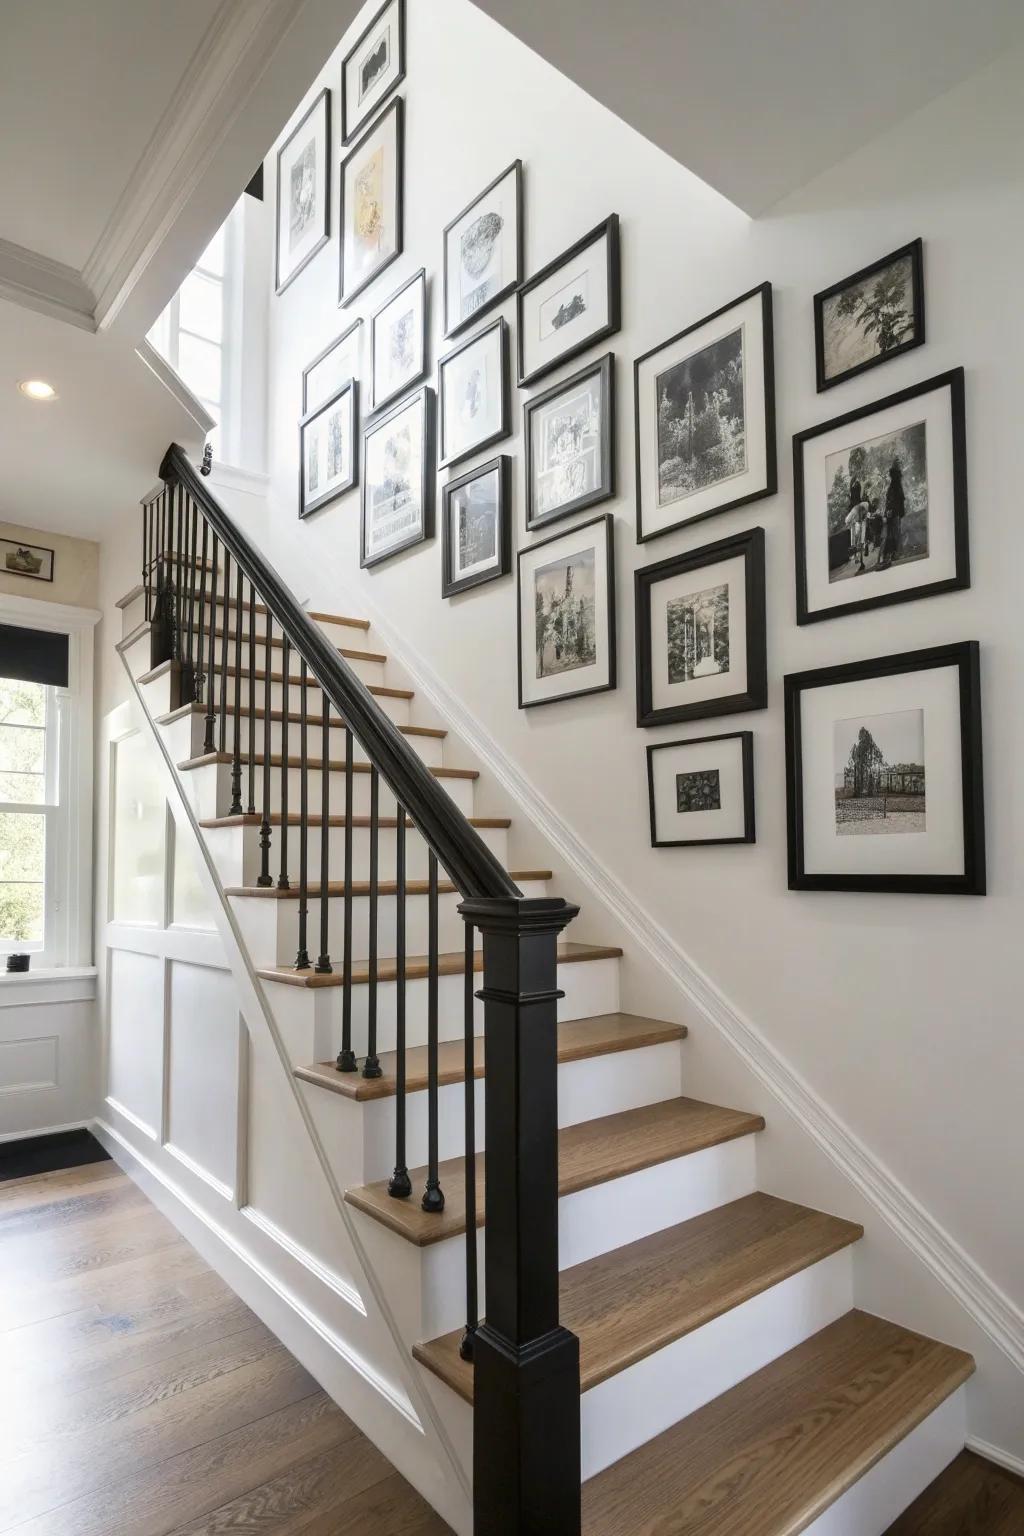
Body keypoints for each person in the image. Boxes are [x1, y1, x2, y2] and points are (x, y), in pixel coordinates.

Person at [878, 460, 905, 570]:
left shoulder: (894, 485)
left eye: (890, 474)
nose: (889, 476)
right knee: (894, 533)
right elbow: (898, 500)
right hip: (894, 513)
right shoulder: (896, 485)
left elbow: (892, 501)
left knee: (892, 534)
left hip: (893, 513)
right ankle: (894, 554)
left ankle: (893, 555)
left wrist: (888, 512)